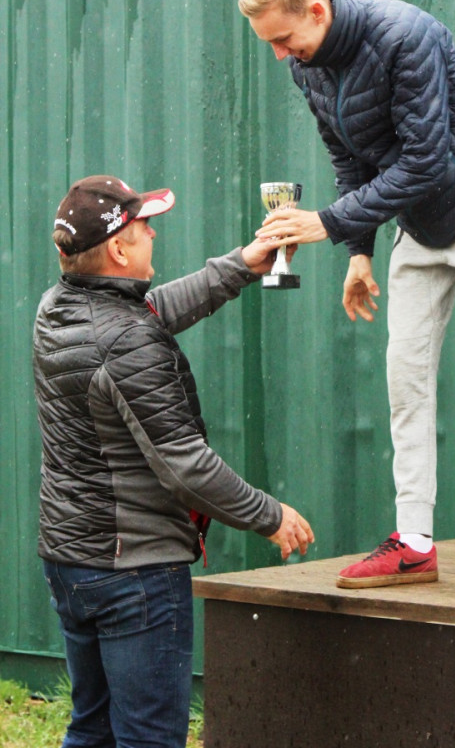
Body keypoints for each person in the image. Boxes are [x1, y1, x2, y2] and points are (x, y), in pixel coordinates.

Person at [238, 0, 455, 599]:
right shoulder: (307, 65)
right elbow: (348, 159)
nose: (278, 55)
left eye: (283, 38)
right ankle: (414, 543)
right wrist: (358, 252)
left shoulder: (405, 35)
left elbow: (424, 161)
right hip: (418, 222)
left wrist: (326, 224)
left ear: (317, 10)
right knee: (404, 377)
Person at [33, 174, 314, 748]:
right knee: (150, 739)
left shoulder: (59, 307)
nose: (154, 234)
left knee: (92, 729)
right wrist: (270, 515)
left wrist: (241, 264)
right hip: (133, 573)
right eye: (145, 226)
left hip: (71, 561)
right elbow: (186, 465)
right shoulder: (125, 338)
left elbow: (148, 314)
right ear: (119, 249)